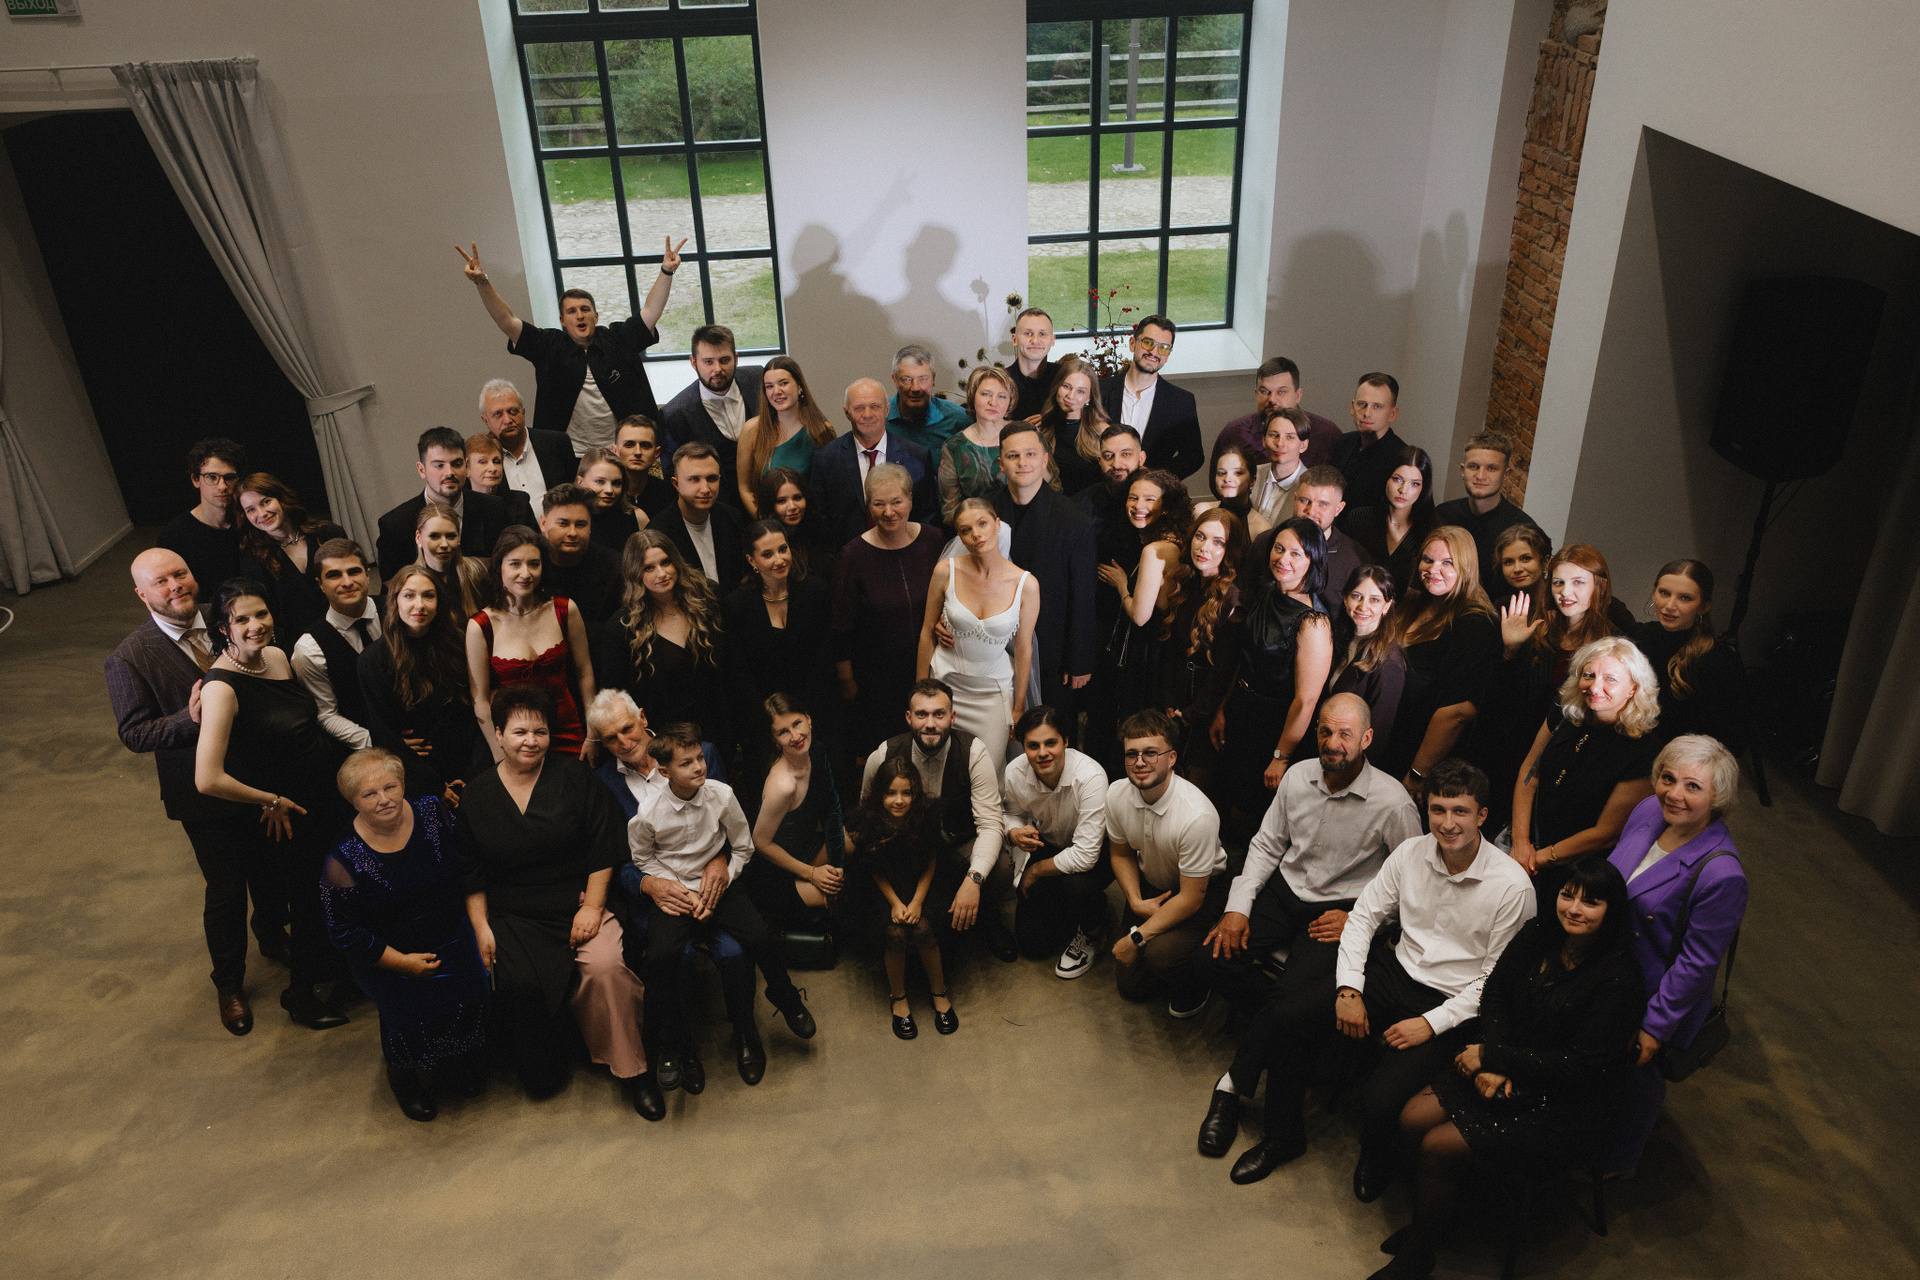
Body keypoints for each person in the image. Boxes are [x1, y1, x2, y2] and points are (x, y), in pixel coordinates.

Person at [1213, 759, 1535, 1190]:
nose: (1447, 823)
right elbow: (1363, 919)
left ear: (1482, 816)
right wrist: (1349, 989)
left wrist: (1430, 1023)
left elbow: (1495, 981)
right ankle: (1283, 1138)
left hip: (1451, 1002)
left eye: (1460, 811)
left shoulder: (1512, 886)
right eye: (1438, 810)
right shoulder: (1410, 853)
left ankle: (1375, 1150)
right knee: (1287, 1016)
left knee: (1379, 1099)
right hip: (1393, 972)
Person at [1381, 857, 1645, 1278]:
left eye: (1590, 902)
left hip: (1561, 1102)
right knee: (1411, 1118)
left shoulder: (1620, 979)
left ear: (1611, 911)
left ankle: (1420, 1254)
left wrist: (1493, 1058)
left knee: (1437, 1145)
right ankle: (1439, 1216)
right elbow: (1495, 993)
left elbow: (1579, 1065)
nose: (1574, 909)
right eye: (1567, 895)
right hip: (1507, 1058)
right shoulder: (1540, 932)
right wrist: (1493, 1058)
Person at [106, 549, 285, 1035]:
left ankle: (274, 938)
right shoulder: (129, 657)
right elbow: (135, 733)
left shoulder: (230, 615)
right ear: (142, 594)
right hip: (203, 794)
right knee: (226, 891)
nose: (176, 587)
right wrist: (191, 718)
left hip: (262, 776)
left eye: (180, 574)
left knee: (271, 869)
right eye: (161, 582)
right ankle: (229, 984)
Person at [458, 684, 658, 1110]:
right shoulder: (477, 795)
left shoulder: (575, 778)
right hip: (513, 914)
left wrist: (593, 907)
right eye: (519, 732)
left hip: (578, 901)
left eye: (540, 732)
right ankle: (546, 1065)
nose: (531, 741)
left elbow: (604, 846)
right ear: (498, 734)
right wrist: (480, 927)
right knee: (519, 985)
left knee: (605, 967)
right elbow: (471, 873)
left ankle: (633, 1070)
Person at [1193, 696, 1421, 1042]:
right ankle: (1275, 1025)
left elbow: (1413, 885)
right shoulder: (1297, 776)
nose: (1332, 743)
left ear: (1367, 739)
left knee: (1292, 998)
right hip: (1284, 892)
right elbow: (1267, 845)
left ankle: (1279, 1024)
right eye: (1325, 731)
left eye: (1345, 734)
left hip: (1338, 911)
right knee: (1208, 960)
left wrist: (1361, 921)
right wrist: (1237, 907)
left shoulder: (1394, 803)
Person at [194, 577, 354, 1031]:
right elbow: (207, 778)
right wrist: (270, 799)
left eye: (261, 614)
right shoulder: (220, 688)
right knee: (306, 901)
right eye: (241, 619)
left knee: (337, 888)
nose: (255, 625)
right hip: (285, 811)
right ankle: (300, 995)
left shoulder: (278, 657)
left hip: (321, 795)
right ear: (223, 628)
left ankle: (339, 973)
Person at [629, 722, 819, 1088]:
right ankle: (669, 1040)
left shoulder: (721, 795)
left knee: (761, 936)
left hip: (719, 883)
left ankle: (785, 996)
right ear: (664, 772)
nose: (699, 767)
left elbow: (743, 847)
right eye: (687, 763)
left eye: (700, 758)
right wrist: (678, 889)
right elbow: (643, 859)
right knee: (662, 957)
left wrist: (724, 880)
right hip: (677, 891)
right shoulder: (649, 811)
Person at [1602, 735, 1749, 1175]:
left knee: (1637, 1080)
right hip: (1607, 974)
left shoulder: (1722, 874)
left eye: (1693, 787)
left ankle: (1618, 1161)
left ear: (1717, 798)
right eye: (1668, 778)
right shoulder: (1649, 811)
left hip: (1651, 996)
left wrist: (1655, 1026)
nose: (1674, 794)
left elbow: (1696, 965)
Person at [586, 688, 745, 1092]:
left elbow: (730, 820)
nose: (624, 742)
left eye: (627, 728)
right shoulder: (603, 783)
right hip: (658, 895)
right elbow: (617, 859)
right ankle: (680, 1048)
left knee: (734, 951)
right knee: (675, 957)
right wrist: (648, 884)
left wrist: (721, 858)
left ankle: (747, 1034)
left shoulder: (699, 752)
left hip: (710, 883)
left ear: (642, 716)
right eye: (610, 738)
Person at [321, 750, 491, 1121]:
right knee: (409, 1018)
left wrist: (478, 926)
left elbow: (467, 862)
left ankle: (456, 1061)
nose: (384, 799)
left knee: (471, 996)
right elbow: (341, 931)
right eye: (369, 794)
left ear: (402, 784)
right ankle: (405, 1077)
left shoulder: (432, 811)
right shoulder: (343, 858)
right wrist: (402, 963)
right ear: (353, 801)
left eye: (390, 787)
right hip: (388, 952)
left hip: (451, 931)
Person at [459, 238, 683, 453]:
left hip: (622, 451)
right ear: (562, 321)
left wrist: (666, 271)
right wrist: (482, 282)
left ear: (596, 316)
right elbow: (507, 320)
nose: (580, 316)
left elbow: (650, 311)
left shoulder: (618, 339)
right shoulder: (548, 346)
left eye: (585, 310)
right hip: (569, 454)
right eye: (571, 311)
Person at [859, 679, 1016, 961]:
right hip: (908, 849)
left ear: (952, 717)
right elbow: (867, 815)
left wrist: (974, 879)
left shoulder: (973, 751)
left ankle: (985, 918)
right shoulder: (884, 754)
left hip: (958, 842)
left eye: (939, 714)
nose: (930, 723)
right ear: (909, 717)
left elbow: (991, 824)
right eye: (922, 714)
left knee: (1001, 869)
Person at [1477, 544, 1624, 835]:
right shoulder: (1537, 628)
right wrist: (1510, 650)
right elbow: (1501, 700)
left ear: (1599, 586)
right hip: (1512, 751)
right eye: (1558, 582)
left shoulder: (1613, 645)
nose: (1565, 592)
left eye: (1578, 582)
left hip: (1562, 765)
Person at [1510, 636, 1663, 910]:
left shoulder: (1644, 749)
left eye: (1610, 679)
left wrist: (1538, 858)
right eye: (1589, 675)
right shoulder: (1564, 712)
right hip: (1526, 847)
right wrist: (1520, 842)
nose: (1594, 687)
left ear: (1633, 688)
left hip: (1577, 871)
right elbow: (1530, 774)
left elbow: (1605, 833)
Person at [1205, 517, 1334, 817]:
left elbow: (1306, 701)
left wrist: (1281, 756)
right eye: (1279, 548)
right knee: (1223, 799)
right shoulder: (1267, 591)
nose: (1283, 559)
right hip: (1241, 709)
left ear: (1313, 560)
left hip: (1273, 728)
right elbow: (1246, 659)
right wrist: (1223, 709)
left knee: (1253, 813)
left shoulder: (1314, 623)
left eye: (1295, 553)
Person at [1106, 710, 1229, 1016]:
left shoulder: (1196, 815)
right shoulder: (1117, 794)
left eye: (1151, 753)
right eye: (1131, 754)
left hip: (1200, 891)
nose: (1139, 762)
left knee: (1160, 955)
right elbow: (1120, 853)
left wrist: (1137, 937)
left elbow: (1190, 899)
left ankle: (1200, 979)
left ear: (1172, 758)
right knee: (1131, 988)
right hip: (1152, 884)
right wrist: (1135, 900)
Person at [917, 498, 1039, 784]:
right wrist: (920, 691)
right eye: (965, 530)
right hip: (945, 685)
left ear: (998, 525)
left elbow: (1024, 647)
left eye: (983, 524)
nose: (976, 534)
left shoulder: (1026, 584)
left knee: (987, 775)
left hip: (993, 693)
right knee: (938, 773)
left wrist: (1019, 706)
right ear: (959, 536)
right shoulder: (945, 571)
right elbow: (926, 632)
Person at [832, 464, 949, 756]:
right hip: (877, 680)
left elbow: (953, 596)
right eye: (879, 504)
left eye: (897, 501)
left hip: (934, 668)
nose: (889, 512)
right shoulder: (853, 555)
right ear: (868, 506)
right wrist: (847, 681)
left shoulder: (934, 540)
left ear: (911, 500)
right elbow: (841, 626)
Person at [1378, 527, 1500, 794]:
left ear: (1466, 567)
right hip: (1383, 748)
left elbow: (1457, 713)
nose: (1433, 569)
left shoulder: (1475, 623)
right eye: (1427, 559)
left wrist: (1418, 772)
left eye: (1447, 562)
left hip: (1418, 764)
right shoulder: (1413, 602)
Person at [846, 757, 958, 1038]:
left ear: (915, 792)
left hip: (921, 881)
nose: (899, 800)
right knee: (895, 933)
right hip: (885, 886)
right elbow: (873, 868)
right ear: (880, 794)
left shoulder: (926, 814)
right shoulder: (869, 820)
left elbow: (931, 860)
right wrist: (896, 903)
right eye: (891, 793)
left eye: (906, 793)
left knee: (923, 928)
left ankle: (939, 992)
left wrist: (917, 902)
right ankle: (899, 998)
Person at [464, 527, 596, 761]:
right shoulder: (481, 625)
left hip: (569, 729)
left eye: (534, 564)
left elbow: (584, 673)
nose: (525, 574)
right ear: (499, 567)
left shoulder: (564, 609)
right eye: (515, 564)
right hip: (516, 738)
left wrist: (593, 733)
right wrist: (500, 753)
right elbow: (480, 699)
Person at [357, 564, 482, 804]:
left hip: (469, 762)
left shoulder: (460, 642)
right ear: (395, 601)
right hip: (419, 773)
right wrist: (435, 786)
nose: (420, 605)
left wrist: (474, 773)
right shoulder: (372, 661)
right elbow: (384, 734)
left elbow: (474, 711)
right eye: (409, 596)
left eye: (428, 596)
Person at [597, 529, 727, 758]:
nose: (662, 573)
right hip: (663, 740)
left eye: (666, 562)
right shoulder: (622, 628)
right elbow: (615, 694)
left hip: (717, 727)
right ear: (635, 574)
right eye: (649, 568)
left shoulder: (707, 599)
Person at [1003, 706, 1111, 977]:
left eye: (1051, 743)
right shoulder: (1015, 772)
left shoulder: (1091, 776)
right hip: (1052, 843)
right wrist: (1014, 832)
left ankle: (1093, 930)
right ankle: (1066, 908)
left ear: (1065, 742)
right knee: (1032, 945)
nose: (1042, 753)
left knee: (1077, 886)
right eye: (1033, 745)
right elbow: (1011, 814)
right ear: (1023, 747)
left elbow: (1086, 855)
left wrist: (1035, 871)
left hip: (1099, 853)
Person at [724, 520, 835, 779]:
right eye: (767, 554)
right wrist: (773, 719)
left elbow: (823, 659)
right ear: (751, 561)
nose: (779, 559)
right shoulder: (737, 605)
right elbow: (738, 672)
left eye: (783, 549)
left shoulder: (815, 592)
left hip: (814, 712)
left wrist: (804, 718)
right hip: (764, 721)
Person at [994, 424, 1097, 700]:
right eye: (1013, 456)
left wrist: (1080, 659)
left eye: (1030, 454)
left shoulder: (1075, 521)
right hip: (994, 647)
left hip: (1052, 649)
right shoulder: (986, 511)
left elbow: (1083, 597)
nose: (1022, 462)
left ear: (1044, 460)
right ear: (1001, 463)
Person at [1092, 469, 1191, 756]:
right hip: (1165, 648)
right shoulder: (1177, 539)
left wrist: (1122, 584)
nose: (1138, 506)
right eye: (1133, 498)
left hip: (1148, 651)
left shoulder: (1154, 550)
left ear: (1167, 506)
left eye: (1149, 499)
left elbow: (1139, 615)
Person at [1156, 508, 1247, 789]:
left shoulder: (1234, 600)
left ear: (1230, 550)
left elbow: (1225, 670)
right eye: (1200, 536)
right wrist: (1169, 700)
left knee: (1196, 789)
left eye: (1217, 542)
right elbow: (1171, 649)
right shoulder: (1188, 582)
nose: (1204, 547)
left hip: (1205, 712)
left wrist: (1193, 714)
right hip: (1175, 700)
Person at [743, 694, 847, 931]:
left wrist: (837, 867)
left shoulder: (817, 752)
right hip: (776, 875)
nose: (795, 736)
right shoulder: (783, 785)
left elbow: (831, 810)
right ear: (774, 739)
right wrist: (812, 874)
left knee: (854, 841)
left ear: (808, 719)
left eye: (797, 723)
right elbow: (760, 843)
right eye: (783, 732)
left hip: (807, 850)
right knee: (844, 897)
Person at [1630, 560, 1754, 758]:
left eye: (1685, 598)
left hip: (1680, 762)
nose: (1670, 606)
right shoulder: (1643, 637)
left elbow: (1733, 739)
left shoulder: (1717, 659)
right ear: (1654, 593)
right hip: (1636, 749)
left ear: (1703, 606)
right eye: (1664, 593)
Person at [809, 377, 936, 550]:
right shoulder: (826, 459)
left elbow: (927, 517)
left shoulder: (916, 456)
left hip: (906, 554)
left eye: (875, 406)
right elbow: (820, 521)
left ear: (887, 409)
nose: (867, 414)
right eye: (859, 408)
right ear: (847, 413)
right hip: (847, 558)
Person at [375, 428, 513, 575]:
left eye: (457, 464)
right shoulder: (395, 525)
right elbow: (392, 584)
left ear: (467, 466)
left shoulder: (494, 509)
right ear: (421, 470)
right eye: (439, 465)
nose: (449, 473)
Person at [659, 324, 765, 512]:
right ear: (693, 362)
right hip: (716, 511)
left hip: (768, 496)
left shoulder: (759, 380)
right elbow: (673, 477)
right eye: (708, 362)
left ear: (736, 359)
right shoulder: (675, 415)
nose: (718, 369)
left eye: (724, 360)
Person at [289, 538, 381, 750]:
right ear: (320, 584)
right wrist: (381, 741)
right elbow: (326, 715)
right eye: (334, 575)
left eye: (354, 572)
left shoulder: (398, 611)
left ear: (368, 574)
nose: (347, 582)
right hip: (369, 748)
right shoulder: (309, 648)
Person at [235, 473, 343, 643]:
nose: (262, 513)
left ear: (281, 498)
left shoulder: (327, 534)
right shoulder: (253, 560)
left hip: (347, 629)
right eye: (251, 510)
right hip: (301, 646)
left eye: (266, 502)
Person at [1432, 429, 1543, 594]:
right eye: (1473, 466)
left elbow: (1530, 591)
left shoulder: (1522, 528)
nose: (1480, 475)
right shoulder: (1442, 514)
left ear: (1506, 475)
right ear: (1463, 470)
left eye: (1491, 468)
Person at [1098, 315, 1202, 478]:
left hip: (1152, 490)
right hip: (1100, 487)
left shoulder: (1181, 401)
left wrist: (1155, 477)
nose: (1154, 352)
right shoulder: (1099, 390)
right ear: (1132, 343)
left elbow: (1193, 457)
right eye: (1148, 342)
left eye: (1164, 348)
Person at [1327, 565, 1408, 768]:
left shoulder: (1389, 663)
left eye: (1374, 600)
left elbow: (1377, 737)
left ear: (1387, 606)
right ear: (1345, 598)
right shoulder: (1340, 637)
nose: (1363, 606)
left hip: (1348, 766)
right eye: (1357, 596)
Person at [736, 356, 837, 513]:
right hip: (767, 521)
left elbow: (831, 487)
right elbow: (745, 487)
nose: (776, 392)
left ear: (799, 386)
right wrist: (765, 521)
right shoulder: (752, 430)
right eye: (769, 386)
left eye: (783, 383)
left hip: (811, 520)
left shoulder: (821, 430)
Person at [156, 438, 248, 607]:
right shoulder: (174, 536)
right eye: (211, 477)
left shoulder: (251, 522)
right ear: (195, 480)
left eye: (229, 477)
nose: (222, 486)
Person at [1210, 355, 1339, 474]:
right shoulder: (1234, 433)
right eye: (1264, 391)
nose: (1272, 399)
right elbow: (1218, 483)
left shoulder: (1327, 434)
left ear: (1298, 395)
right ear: (1256, 393)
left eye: (1281, 392)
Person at [1340, 444, 1437, 596]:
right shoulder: (1358, 518)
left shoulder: (1432, 531)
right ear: (1386, 478)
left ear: (1424, 488)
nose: (1403, 490)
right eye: (1397, 479)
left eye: (1414, 484)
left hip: (1408, 609)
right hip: (1359, 605)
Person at [651, 441, 745, 587]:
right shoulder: (658, 532)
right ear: (676, 484)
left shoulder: (732, 517)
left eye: (711, 478)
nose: (705, 489)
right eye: (694, 479)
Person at [939, 365, 1018, 523]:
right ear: (972, 396)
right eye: (985, 394)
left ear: (1010, 401)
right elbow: (950, 509)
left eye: (1002, 396)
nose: (993, 402)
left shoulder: (1027, 436)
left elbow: (1052, 487)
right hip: (975, 531)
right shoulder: (954, 447)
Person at [477, 378, 575, 504]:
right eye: (498, 414)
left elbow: (575, 495)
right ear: (485, 421)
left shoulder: (557, 443)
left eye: (513, 411)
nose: (507, 420)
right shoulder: (479, 457)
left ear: (523, 412)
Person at [538, 482, 623, 625]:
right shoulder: (528, 565)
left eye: (580, 525)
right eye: (563, 524)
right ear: (543, 523)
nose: (572, 533)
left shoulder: (615, 567)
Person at [1029, 353, 1109, 496]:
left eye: (1080, 391)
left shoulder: (1102, 433)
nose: (1071, 396)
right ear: (1057, 387)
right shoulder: (1040, 428)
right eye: (1066, 386)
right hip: (1050, 504)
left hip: (1089, 506)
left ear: (1089, 397)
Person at [1330, 373, 1410, 516]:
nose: (1367, 413)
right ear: (1352, 407)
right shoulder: (1343, 442)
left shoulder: (1402, 458)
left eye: (1377, 406)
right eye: (1362, 404)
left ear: (1392, 414)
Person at [751, 466, 838, 584]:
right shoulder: (759, 542)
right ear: (770, 505)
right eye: (781, 501)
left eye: (797, 498)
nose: (792, 507)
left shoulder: (819, 535)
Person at [887, 344, 972, 455]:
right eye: (906, 379)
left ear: (933, 379)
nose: (915, 388)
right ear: (895, 380)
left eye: (923, 379)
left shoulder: (958, 419)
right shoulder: (878, 417)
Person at [409, 503, 485, 621]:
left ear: (459, 537)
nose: (444, 544)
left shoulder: (478, 573)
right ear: (418, 537)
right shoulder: (408, 583)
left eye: (451, 536)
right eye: (434, 536)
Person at [1193, 441, 1270, 539]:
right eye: (1221, 473)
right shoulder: (1200, 511)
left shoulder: (1261, 529)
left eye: (1238, 473)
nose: (1227, 479)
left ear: (1253, 480)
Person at [577, 447, 645, 555]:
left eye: (616, 483)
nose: (609, 490)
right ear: (580, 481)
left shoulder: (637, 516)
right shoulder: (568, 518)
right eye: (600, 481)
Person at [1249, 407, 1310, 528]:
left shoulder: (1310, 487)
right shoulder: (1251, 474)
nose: (1280, 443)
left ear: (1303, 445)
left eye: (1290, 437)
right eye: (1274, 435)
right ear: (1264, 440)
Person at [464, 432, 537, 529]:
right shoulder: (460, 504)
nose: (493, 468)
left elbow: (532, 538)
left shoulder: (519, 502)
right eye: (483, 462)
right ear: (467, 468)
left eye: (496, 461)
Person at [613, 415, 678, 522]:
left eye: (645, 445)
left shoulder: (669, 495)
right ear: (615, 451)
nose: (638, 452)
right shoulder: (607, 494)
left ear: (656, 453)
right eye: (629, 445)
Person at [1006, 306, 1058, 421]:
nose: (1035, 341)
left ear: (1052, 340)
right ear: (1014, 339)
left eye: (1042, 334)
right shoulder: (1001, 381)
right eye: (1028, 333)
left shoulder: (1065, 378)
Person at [1489, 522, 1552, 616]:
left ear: (1546, 562)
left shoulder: (1561, 603)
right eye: (1508, 562)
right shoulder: (1502, 607)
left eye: (1526, 559)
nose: (1517, 569)